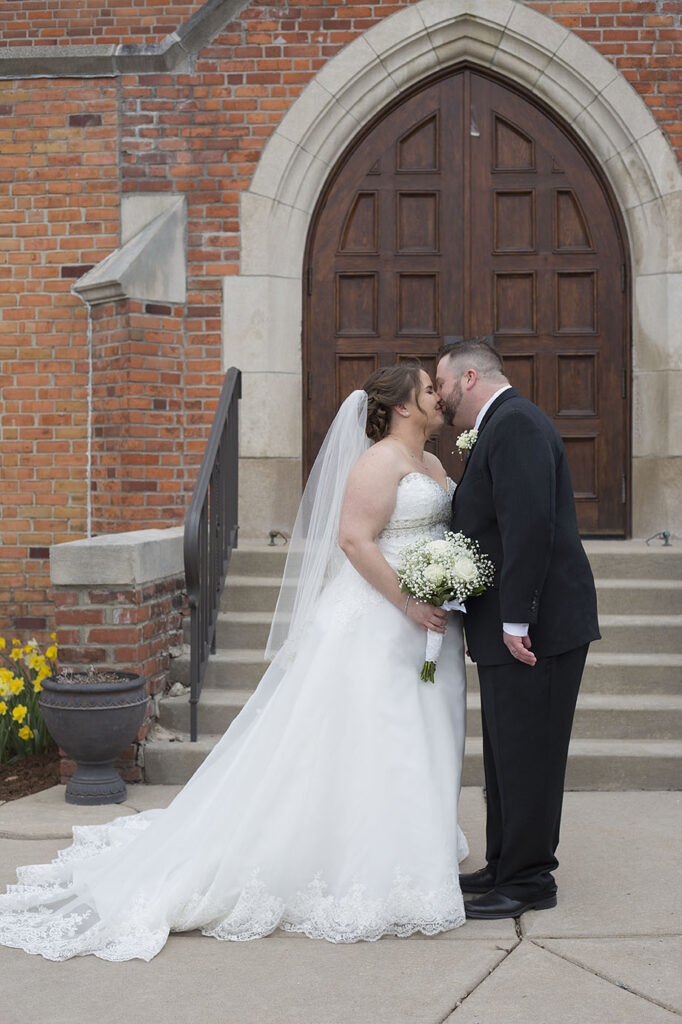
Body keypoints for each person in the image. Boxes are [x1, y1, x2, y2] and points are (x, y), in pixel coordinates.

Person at [0, 364, 470, 961]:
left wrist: (449, 582)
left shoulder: (431, 465)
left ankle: (416, 842)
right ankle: (366, 859)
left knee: (422, 733)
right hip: (379, 620)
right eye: (429, 389)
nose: (438, 396)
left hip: (427, 624)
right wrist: (408, 601)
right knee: (378, 735)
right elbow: (354, 540)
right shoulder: (379, 462)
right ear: (403, 407)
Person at [436, 338, 600, 921]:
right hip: (513, 628)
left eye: (444, 383)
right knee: (506, 752)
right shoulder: (499, 424)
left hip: (538, 629)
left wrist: (515, 618)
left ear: (471, 376)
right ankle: (504, 862)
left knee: (530, 753)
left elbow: (528, 525)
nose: (440, 395)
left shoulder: (517, 425)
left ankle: (530, 881)